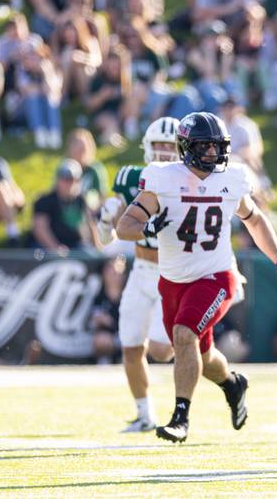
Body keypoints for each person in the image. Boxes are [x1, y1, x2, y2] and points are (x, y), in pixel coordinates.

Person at [116, 111, 277, 442]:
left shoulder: (231, 179)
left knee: (184, 334)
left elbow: (254, 220)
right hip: (172, 280)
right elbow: (124, 226)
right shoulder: (162, 178)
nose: (213, 154)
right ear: (186, 147)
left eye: (218, 147)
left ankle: (180, 418)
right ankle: (231, 383)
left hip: (216, 275)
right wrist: (147, 226)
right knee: (200, 354)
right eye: (205, 147)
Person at [97, 117, 179, 432]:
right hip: (140, 271)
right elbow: (106, 240)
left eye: (169, 146)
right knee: (130, 345)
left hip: (171, 272)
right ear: (147, 146)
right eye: (158, 144)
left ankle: (194, 348)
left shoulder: (187, 182)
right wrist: (105, 221)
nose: (162, 152)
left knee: (161, 349)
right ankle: (145, 414)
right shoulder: (129, 178)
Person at [30, 159, 99, 253]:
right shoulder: (44, 201)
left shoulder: (81, 200)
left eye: (75, 179)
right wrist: (56, 248)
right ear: (58, 179)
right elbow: (40, 229)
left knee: (89, 253)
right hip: (48, 248)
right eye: (66, 179)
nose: (70, 183)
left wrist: (98, 249)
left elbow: (91, 225)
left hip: (77, 247)